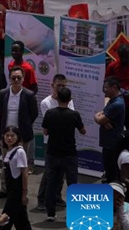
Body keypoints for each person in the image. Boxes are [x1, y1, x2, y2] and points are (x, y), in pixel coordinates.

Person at [41, 86, 84, 222]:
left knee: (51, 183)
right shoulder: (74, 114)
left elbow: (45, 132)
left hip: (52, 153)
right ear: (70, 99)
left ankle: (50, 213)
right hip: (69, 154)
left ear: (57, 98)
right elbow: (83, 131)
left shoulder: (49, 113)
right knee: (72, 184)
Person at [37, 74, 75, 210]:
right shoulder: (46, 103)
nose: (60, 88)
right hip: (51, 143)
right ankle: (42, 199)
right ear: (52, 85)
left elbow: (71, 117)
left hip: (65, 143)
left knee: (62, 173)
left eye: (63, 86)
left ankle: (56, 197)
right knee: (49, 173)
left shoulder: (69, 100)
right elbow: (51, 124)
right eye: (58, 85)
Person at [0, 126, 30, 230]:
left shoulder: (19, 152)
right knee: (22, 221)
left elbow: (24, 173)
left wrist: (24, 194)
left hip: (16, 193)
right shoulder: (8, 151)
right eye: (7, 135)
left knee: (4, 221)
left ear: (17, 137)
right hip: (10, 190)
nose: (9, 138)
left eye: (12, 136)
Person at [97, 77, 126, 183]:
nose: (104, 90)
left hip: (111, 142)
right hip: (109, 141)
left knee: (111, 171)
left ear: (114, 87)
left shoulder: (116, 104)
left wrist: (99, 117)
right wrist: (103, 119)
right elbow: (103, 115)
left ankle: (113, 194)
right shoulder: (114, 100)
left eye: (106, 88)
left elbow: (99, 119)